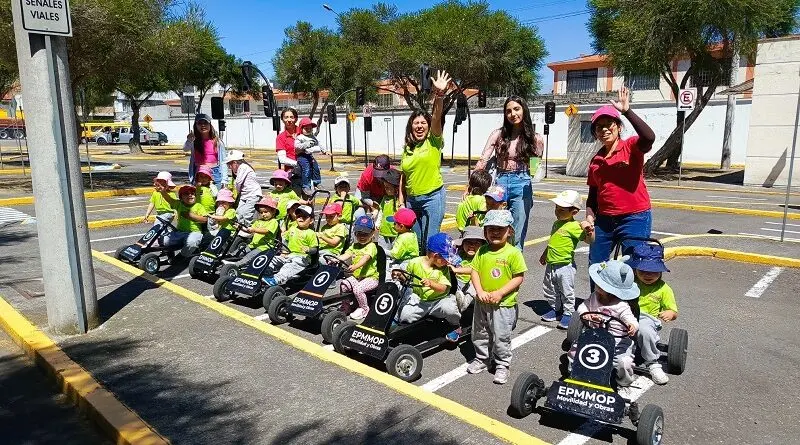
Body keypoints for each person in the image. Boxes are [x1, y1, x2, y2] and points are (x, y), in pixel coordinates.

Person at [583, 87, 657, 270]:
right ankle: (598, 299)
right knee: (596, 265)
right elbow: (593, 194)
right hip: (604, 220)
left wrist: (627, 111)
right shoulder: (596, 160)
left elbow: (649, 138)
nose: (605, 129)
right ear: (595, 133)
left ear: (618, 127)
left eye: (610, 124)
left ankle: (629, 300)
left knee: (633, 265)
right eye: (599, 127)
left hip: (635, 217)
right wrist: (590, 218)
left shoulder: (630, 146)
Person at [474, 96, 544, 251]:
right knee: (494, 225)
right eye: (508, 111)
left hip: (522, 183)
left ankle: (514, 268)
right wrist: (472, 186)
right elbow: (483, 158)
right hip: (500, 182)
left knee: (517, 231)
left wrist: (531, 169)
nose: (513, 114)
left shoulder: (535, 138)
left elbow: (534, 168)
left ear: (524, 110)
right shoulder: (498, 134)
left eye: (516, 109)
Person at [467, 210, 527, 385]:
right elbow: (474, 271)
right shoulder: (482, 251)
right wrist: (479, 291)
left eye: (500, 229)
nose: (494, 232)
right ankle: (482, 358)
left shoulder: (513, 253)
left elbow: (519, 277)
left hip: (503, 304)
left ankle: (502, 364)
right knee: (480, 332)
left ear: (510, 231)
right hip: (482, 301)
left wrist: (500, 293)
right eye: (490, 228)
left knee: (501, 336)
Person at [572, 258, 639, 397]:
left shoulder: (621, 306)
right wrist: (586, 314)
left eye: (600, 284)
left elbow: (630, 319)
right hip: (594, 337)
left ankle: (623, 384)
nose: (596, 284)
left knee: (624, 363)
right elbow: (582, 306)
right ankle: (574, 377)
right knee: (574, 352)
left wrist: (632, 325)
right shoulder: (594, 297)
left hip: (618, 343)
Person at [398, 70, 453, 239]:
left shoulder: (433, 142)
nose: (420, 126)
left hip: (432, 198)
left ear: (429, 127)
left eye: (423, 123)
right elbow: (404, 177)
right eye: (416, 123)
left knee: (430, 240)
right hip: (411, 201)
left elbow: (436, 118)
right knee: (414, 240)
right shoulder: (407, 149)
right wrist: (401, 203)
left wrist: (440, 94)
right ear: (411, 126)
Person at [540, 190, 595, 329]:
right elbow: (552, 241)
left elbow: (589, 241)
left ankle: (568, 313)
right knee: (550, 288)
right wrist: (545, 254)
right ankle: (556, 309)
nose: (557, 212)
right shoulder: (556, 223)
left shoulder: (575, 226)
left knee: (566, 290)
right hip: (551, 263)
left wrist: (589, 231)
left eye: (562, 210)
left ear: (574, 212)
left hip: (565, 266)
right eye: (556, 208)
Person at [397, 233, 462, 342]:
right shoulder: (415, 262)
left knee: (450, 308)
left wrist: (431, 284)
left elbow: (444, 288)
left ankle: (454, 325)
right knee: (405, 316)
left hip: (439, 301)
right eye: (446, 258)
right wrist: (401, 276)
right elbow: (407, 278)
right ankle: (421, 318)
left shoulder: (443, 269)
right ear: (436, 256)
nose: (448, 262)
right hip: (419, 300)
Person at [630, 244, 677, 385]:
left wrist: (670, 313)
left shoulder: (664, 289)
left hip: (647, 319)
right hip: (627, 314)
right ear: (635, 269)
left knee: (643, 329)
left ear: (660, 271)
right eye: (643, 270)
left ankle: (652, 362)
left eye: (653, 271)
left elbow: (673, 311)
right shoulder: (631, 282)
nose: (648, 275)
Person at [337, 215, 380, 320]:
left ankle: (364, 309)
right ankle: (346, 306)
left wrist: (355, 266)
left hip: (371, 278)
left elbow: (365, 259)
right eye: (359, 234)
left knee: (358, 289)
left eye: (365, 234)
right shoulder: (355, 246)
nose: (362, 236)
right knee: (344, 285)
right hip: (358, 277)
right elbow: (346, 255)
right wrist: (336, 259)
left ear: (372, 233)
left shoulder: (371, 246)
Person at [263, 205, 318, 287]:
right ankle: (266, 275)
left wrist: (309, 249)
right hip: (289, 255)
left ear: (311, 221)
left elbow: (315, 249)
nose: (301, 218)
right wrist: (284, 251)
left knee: (290, 265)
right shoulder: (293, 228)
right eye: (299, 216)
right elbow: (285, 240)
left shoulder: (311, 233)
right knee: (272, 260)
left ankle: (276, 279)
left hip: (302, 258)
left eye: (304, 217)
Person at [160, 185, 208, 261]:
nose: (190, 195)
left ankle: (182, 256)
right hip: (180, 232)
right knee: (164, 239)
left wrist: (191, 216)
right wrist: (163, 191)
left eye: (192, 193)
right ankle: (170, 254)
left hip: (195, 232)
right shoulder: (179, 204)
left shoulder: (198, 206)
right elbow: (169, 199)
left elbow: (205, 219)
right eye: (186, 194)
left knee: (191, 242)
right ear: (181, 198)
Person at [233, 197, 280, 267]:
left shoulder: (273, 222)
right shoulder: (258, 221)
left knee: (249, 256)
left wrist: (254, 230)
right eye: (261, 212)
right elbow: (249, 230)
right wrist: (240, 228)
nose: (263, 214)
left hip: (264, 247)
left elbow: (266, 231)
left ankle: (236, 265)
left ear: (273, 212)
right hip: (253, 244)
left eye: (266, 212)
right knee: (239, 251)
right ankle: (228, 259)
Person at [449, 225, 486, 313]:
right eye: (468, 242)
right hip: (459, 285)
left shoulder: (482, 256)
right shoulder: (460, 254)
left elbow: (474, 269)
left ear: (482, 245)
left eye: (476, 243)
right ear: (463, 243)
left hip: (473, 291)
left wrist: (456, 270)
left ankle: (464, 303)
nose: (472, 246)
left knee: (475, 279)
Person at [186, 113, 227, 186]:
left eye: (205, 123)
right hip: (199, 174)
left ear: (210, 125)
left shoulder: (217, 142)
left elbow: (223, 161)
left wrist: (224, 180)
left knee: (215, 196)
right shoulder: (194, 141)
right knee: (200, 196)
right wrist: (189, 140)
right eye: (199, 123)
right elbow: (185, 149)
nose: (203, 125)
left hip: (214, 173)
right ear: (196, 126)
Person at [226, 150, 262, 225]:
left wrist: (236, 193)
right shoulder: (240, 169)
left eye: (230, 164)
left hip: (253, 194)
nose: (229, 167)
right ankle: (240, 230)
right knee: (239, 213)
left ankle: (249, 232)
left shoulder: (243, 167)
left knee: (247, 214)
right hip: (245, 195)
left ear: (235, 162)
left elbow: (238, 182)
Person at [294, 117, 325, 197]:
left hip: (309, 155)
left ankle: (317, 182)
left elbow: (319, 143)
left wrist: (324, 151)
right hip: (302, 157)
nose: (308, 130)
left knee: (316, 167)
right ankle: (306, 186)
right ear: (301, 129)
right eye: (306, 128)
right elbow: (296, 146)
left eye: (310, 128)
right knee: (306, 169)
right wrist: (306, 145)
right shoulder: (300, 137)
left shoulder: (313, 137)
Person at [456, 170, 492, 234]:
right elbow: (486, 212)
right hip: (475, 232)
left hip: (462, 229)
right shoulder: (481, 200)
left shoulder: (465, 199)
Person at [386, 208, 418, 273]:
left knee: (391, 271)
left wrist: (382, 250)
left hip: (404, 264)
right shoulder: (412, 233)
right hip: (412, 261)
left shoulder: (403, 237)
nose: (393, 225)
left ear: (401, 226)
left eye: (395, 223)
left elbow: (395, 255)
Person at [377, 169, 402, 252]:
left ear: (396, 188)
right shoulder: (385, 198)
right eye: (385, 187)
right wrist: (378, 223)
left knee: (395, 252)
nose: (386, 189)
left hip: (396, 232)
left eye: (388, 187)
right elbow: (381, 211)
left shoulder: (400, 201)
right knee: (383, 252)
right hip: (384, 231)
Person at [275, 107, 300, 173]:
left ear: (296, 119)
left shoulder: (303, 132)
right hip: (291, 173)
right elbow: (282, 159)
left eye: (291, 117)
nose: (289, 120)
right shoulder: (281, 137)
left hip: (308, 170)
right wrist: (298, 164)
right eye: (286, 117)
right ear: (282, 120)